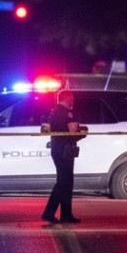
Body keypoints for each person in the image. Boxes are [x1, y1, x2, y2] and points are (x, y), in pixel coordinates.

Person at [41, 90, 88, 224]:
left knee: (64, 182)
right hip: (65, 150)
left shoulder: (54, 111)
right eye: (71, 97)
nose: (73, 99)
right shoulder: (67, 113)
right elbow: (72, 132)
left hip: (58, 149)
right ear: (65, 97)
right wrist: (82, 133)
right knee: (65, 183)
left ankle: (61, 214)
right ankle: (53, 213)